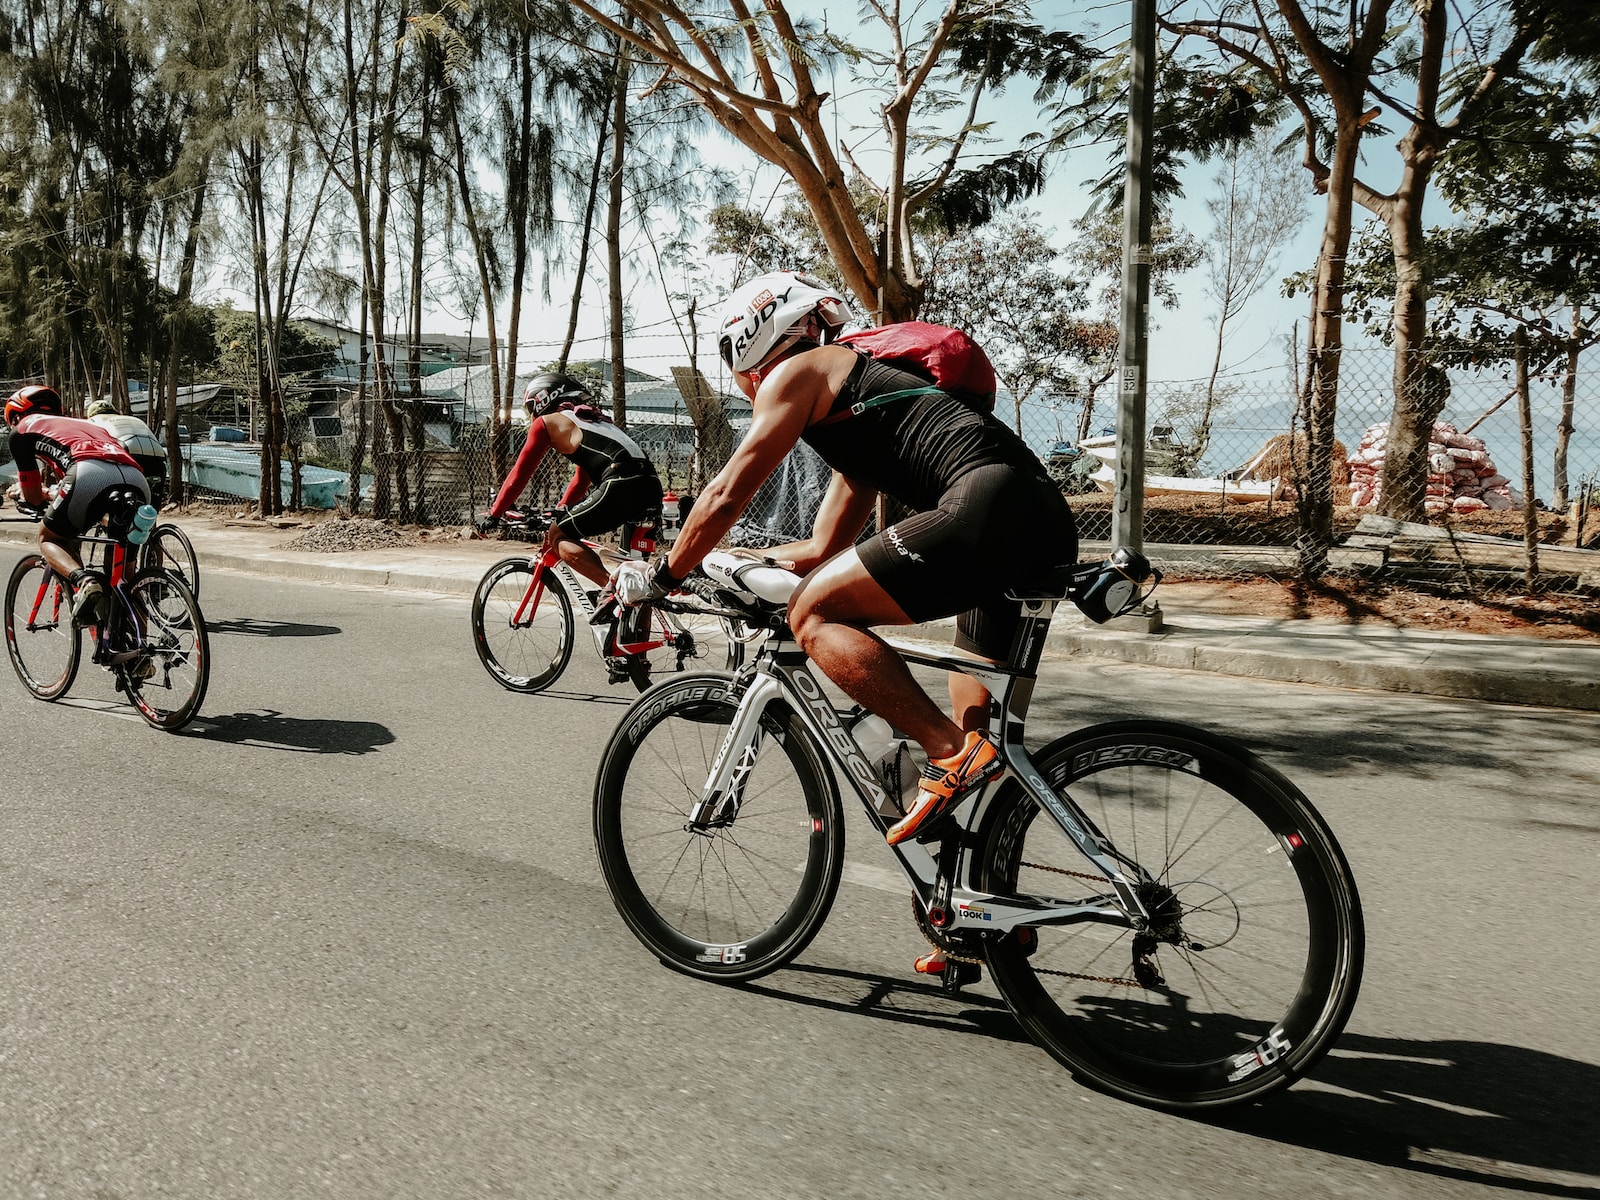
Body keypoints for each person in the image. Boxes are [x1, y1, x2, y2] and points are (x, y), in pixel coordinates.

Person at [610, 271, 1079, 864]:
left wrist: (665, 576)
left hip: (985, 507)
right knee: (987, 759)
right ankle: (983, 914)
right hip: (1039, 521)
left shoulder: (799, 370)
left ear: (751, 339)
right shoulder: (858, 408)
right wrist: (734, 563)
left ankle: (944, 749)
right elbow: (821, 548)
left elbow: (727, 493)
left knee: (815, 612)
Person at [479, 371, 665, 589]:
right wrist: (563, 509)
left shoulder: (546, 423)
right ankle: (636, 615)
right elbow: (580, 480)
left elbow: (519, 475)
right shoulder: (592, 421)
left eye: (531, 408)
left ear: (541, 399)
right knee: (637, 576)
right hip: (650, 485)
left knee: (557, 534)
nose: (532, 416)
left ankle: (611, 590)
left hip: (619, 484)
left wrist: (495, 513)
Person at [3, 384, 152, 626]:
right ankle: (137, 655)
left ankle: (84, 581)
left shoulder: (21, 431)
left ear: (17, 415)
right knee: (125, 580)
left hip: (87, 473)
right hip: (135, 477)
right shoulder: (85, 425)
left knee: (49, 538)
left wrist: (29, 496)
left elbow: (33, 497)